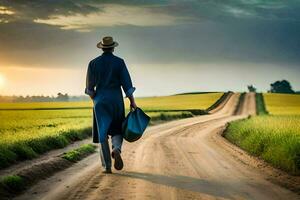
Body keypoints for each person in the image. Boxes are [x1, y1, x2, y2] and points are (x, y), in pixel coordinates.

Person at [85, 36, 137, 174]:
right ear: (113, 48)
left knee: (103, 133)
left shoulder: (93, 63)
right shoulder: (119, 63)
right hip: (116, 100)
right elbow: (127, 85)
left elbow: (90, 89)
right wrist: (132, 101)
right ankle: (117, 149)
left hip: (100, 101)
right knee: (117, 128)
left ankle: (107, 166)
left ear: (102, 48)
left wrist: (95, 99)